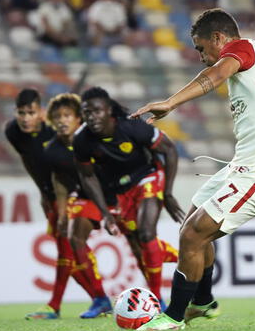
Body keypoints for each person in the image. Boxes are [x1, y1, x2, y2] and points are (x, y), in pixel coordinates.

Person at [131, 8, 255, 331]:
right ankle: (203, 302)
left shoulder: (243, 48)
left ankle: (174, 316)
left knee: (193, 235)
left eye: (200, 47)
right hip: (248, 164)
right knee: (191, 226)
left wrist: (171, 103)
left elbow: (217, 74)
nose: (201, 56)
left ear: (219, 39)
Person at [73, 87, 184, 306]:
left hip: (148, 176)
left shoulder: (132, 128)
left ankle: (156, 299)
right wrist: (105, 212)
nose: (91, 116)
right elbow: (88, 178)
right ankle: (185, 258)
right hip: (120, 191)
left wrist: (168, 194)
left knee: (145, 232)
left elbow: (169, 149)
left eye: (96, 111)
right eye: (86, 112)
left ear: (109, 111)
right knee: (137, 244)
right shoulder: (82, 141)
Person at [4, 89, 98, 319]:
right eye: (21, 112)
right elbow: (30, 160)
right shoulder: (13, 132)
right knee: (75, 254)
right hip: (49, 197)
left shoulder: (55, 132)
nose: (25, 118)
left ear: (42, 113)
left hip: (68, 195)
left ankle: (55, 305)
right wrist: (43, 192)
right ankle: (100, 299)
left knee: (67, 249)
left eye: (31, 112)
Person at [43, 93, 112, 318]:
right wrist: (62, 214)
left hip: (116, 194)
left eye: (67, 115)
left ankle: (185, 270)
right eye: (57, 116)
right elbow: (60, 182)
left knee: (143, 244)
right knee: (74, 238)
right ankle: (100, 298)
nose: (62, 120)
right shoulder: (52, 150)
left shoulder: (93, 138)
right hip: (87, 197)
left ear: (78, 119)